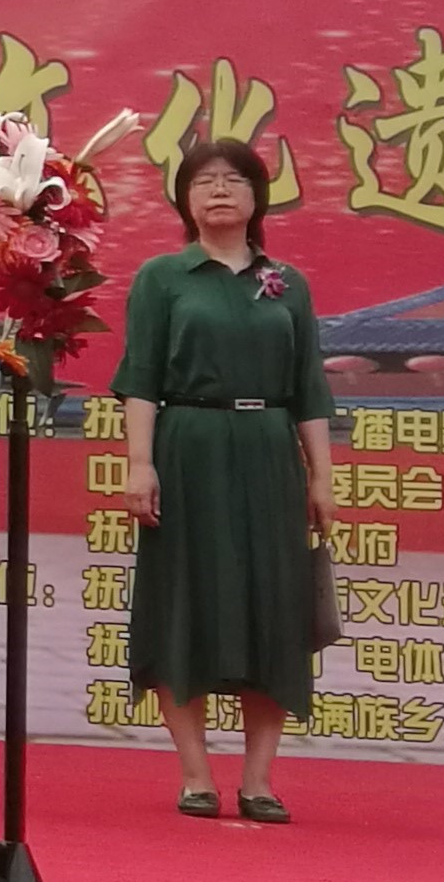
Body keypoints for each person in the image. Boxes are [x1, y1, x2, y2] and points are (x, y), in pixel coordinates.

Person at [114, 140, 334, 823]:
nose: (219, 190)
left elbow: (309, 389)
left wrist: (321, 477)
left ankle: (259, 780)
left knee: (273, 606)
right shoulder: (163, 277)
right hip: (188, 446)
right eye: (203, 180)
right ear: (184, 198)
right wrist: (140, 463)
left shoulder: (287, 282)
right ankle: (196, 776)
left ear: (257, 196)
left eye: (234, 180)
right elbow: (140, 380)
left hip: (269, 450)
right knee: (185, 600)